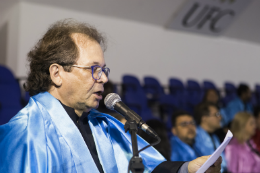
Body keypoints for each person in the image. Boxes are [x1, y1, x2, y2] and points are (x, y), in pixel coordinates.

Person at [0, 19, 221, 173]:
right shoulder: (26, 132)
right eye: (94, 69)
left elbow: (142, 168)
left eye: (104, 70)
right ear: (57, 73)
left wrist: (187, 169)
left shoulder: (103, 126)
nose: (104, 79)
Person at [194, 102, 227, 172]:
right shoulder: (195, 137)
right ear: (204, 118)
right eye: (217, 114)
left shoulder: (215, 137)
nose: (220, 117)